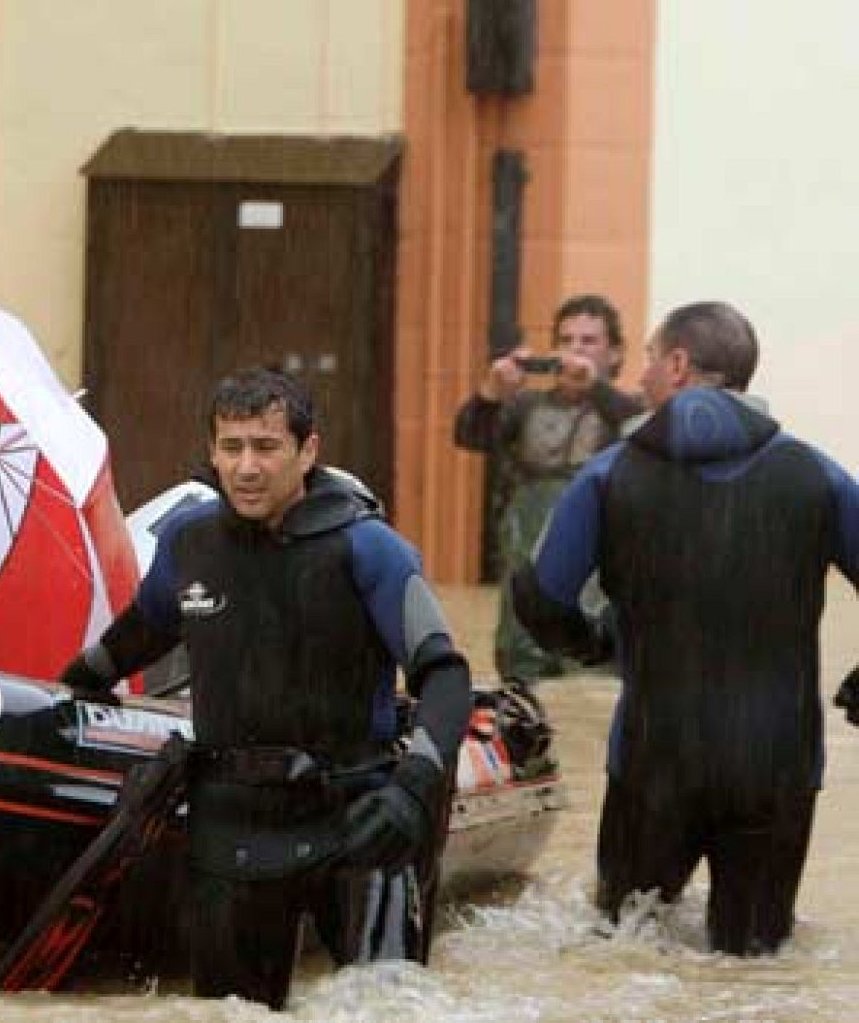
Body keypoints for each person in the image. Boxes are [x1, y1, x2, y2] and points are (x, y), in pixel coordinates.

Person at [57, 367, 472, 1009]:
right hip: (235, 831)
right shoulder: (188, 547)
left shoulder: (370, 548)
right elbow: (140, 632)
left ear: (308, 451)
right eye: (231, 447)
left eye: (266, 446)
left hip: (358, 823)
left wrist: (413, 788)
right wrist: (77, 684)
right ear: (213, 452)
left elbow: (445, 675)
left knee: (388, 1009)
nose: (247, 467)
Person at [511, 301, 859, 954]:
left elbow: (539, 596)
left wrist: (591, 643)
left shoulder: (609, 474)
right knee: (755, 967)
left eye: (647, 358)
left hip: (652, 762)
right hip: (777, 767)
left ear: (676, 365)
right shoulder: (817, 475)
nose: (640, 376)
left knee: (624, 954)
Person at [453, 294, 643, 685]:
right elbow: (469, 435)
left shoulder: (626, 407)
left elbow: (643, 433)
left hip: (602, 558)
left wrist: (596, 389)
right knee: (524, 663)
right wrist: (489, 394)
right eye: (566, 340)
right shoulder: (525, 406)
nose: (575, 350)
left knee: (592, 667)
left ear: (615, 352)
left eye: (589, 341)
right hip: (528, 549)